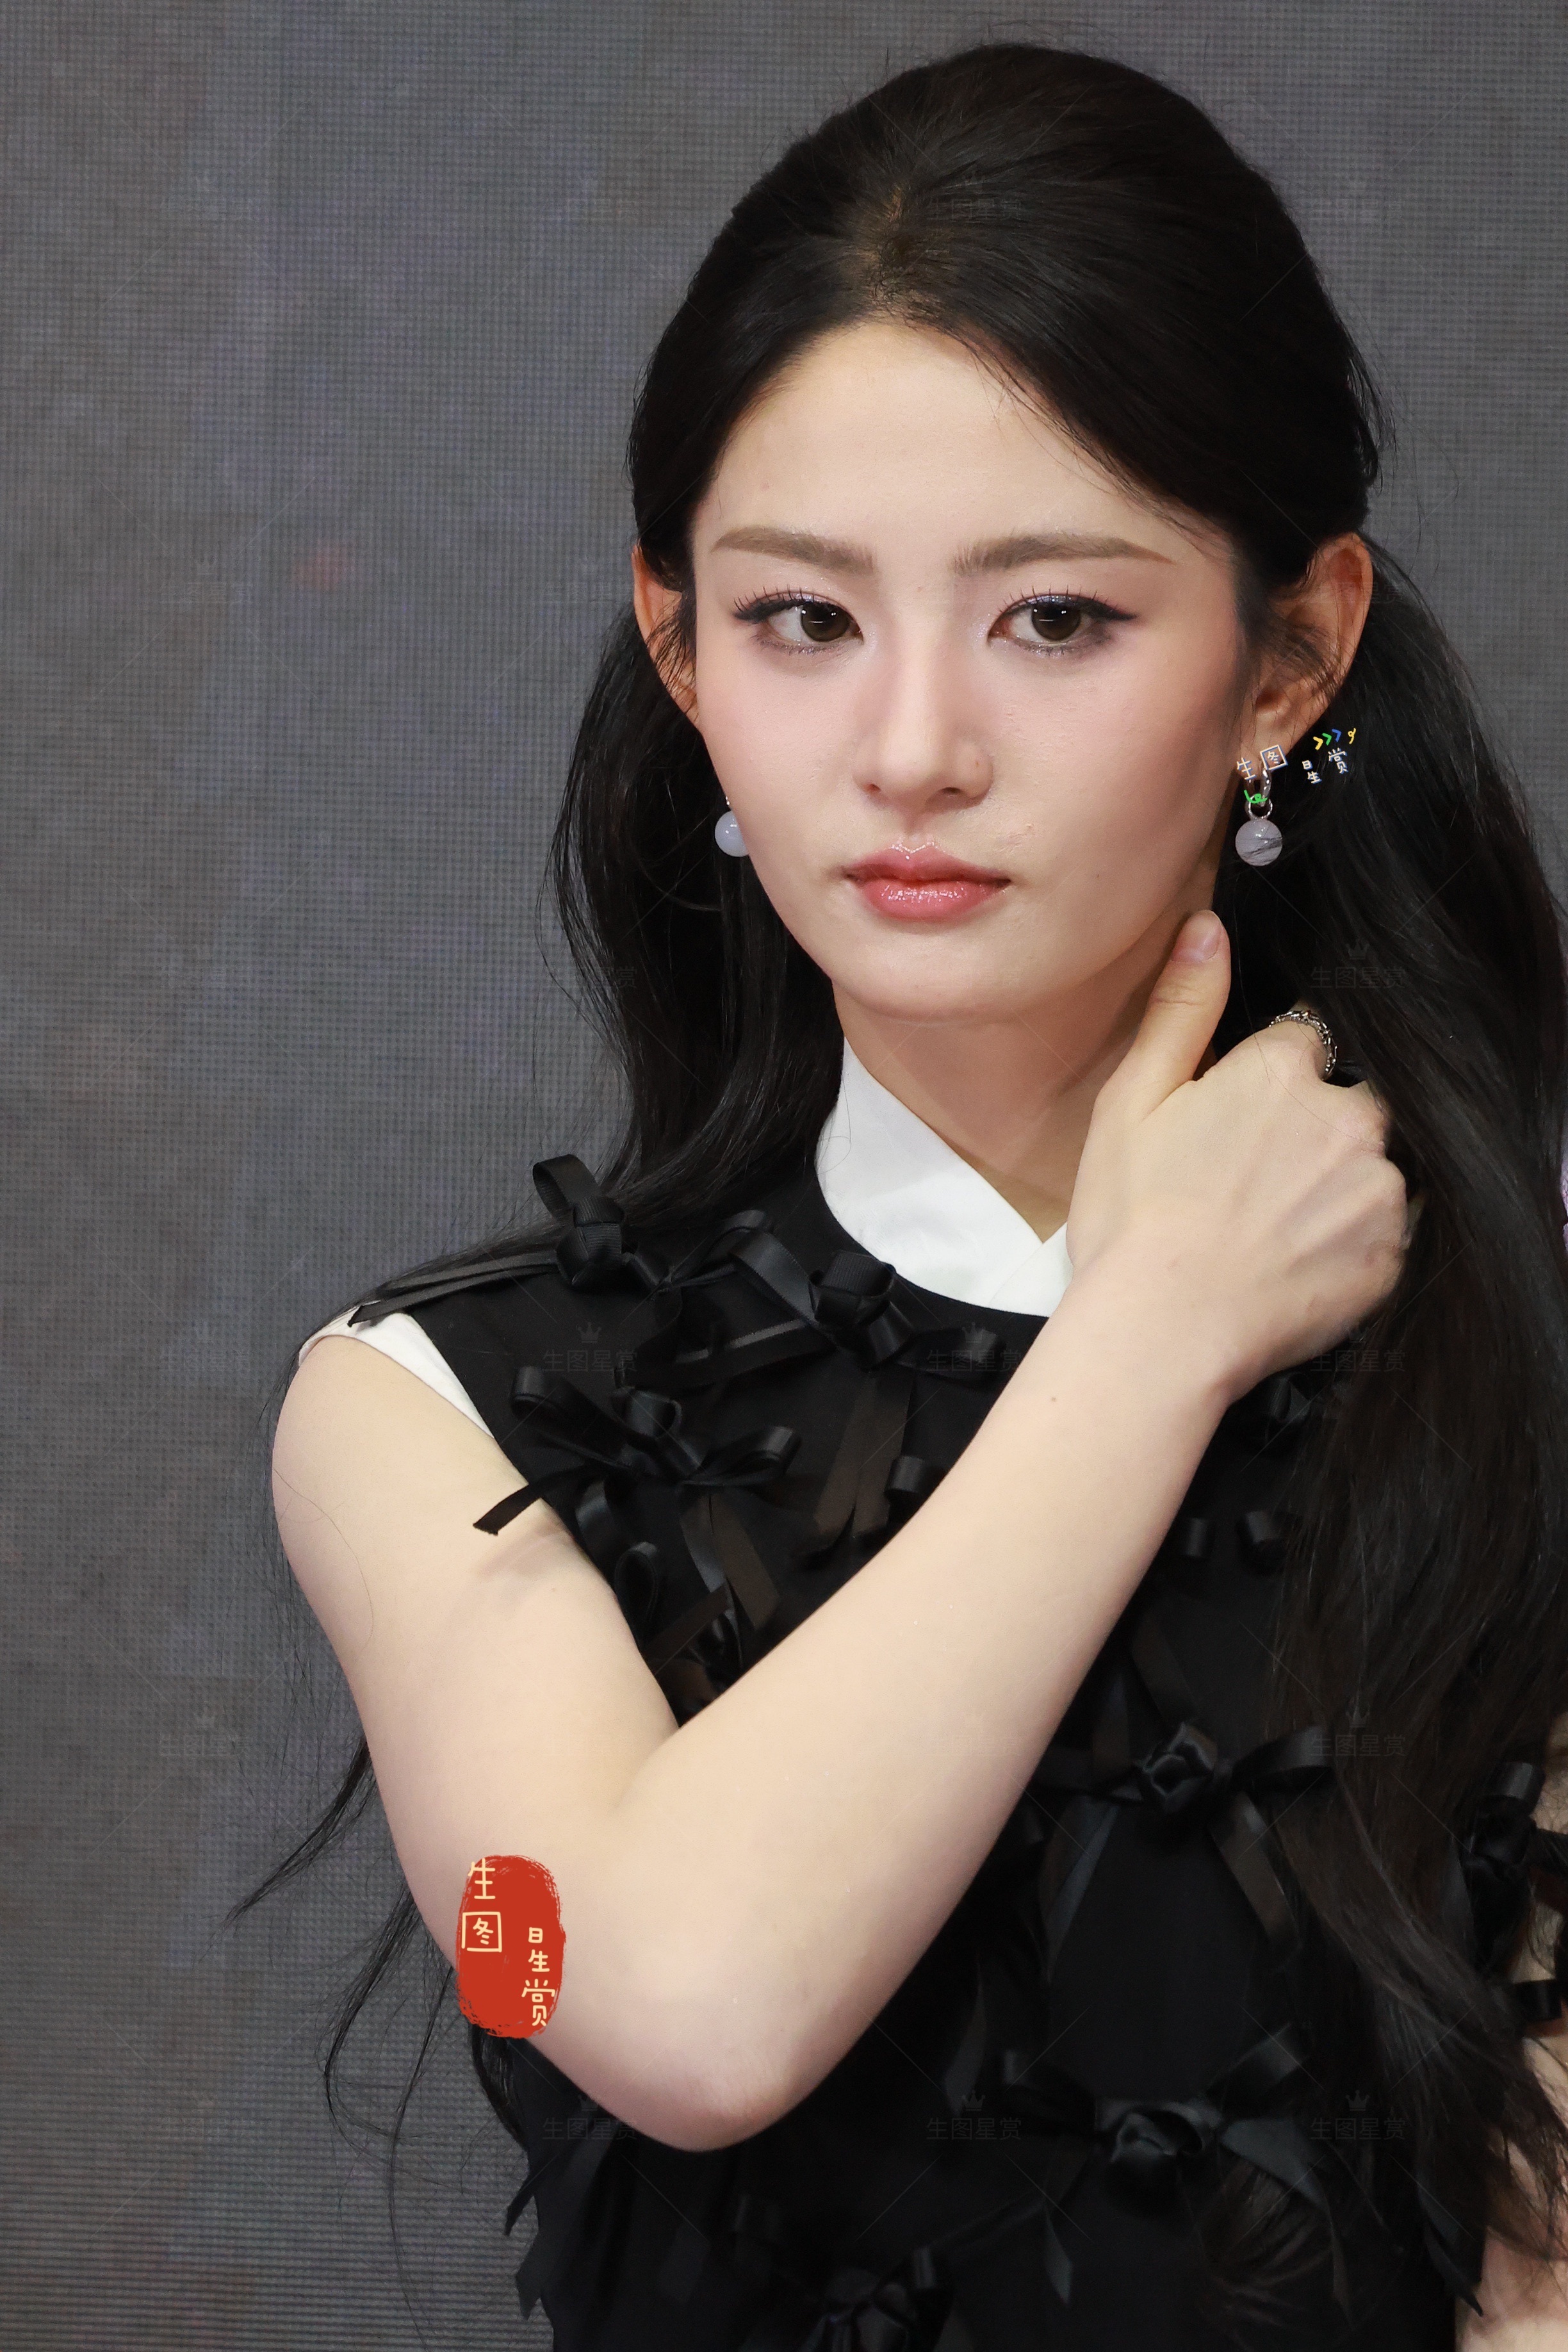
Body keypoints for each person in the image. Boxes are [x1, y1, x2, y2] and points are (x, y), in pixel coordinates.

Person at [266, 42, 1568, 2352]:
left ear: (1293, 656)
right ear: (678, 645)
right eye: (803, 619)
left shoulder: (1522, 1331)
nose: (911, 752)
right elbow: (664, 2005)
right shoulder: (428, 1415)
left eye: (1055, 618)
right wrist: (1155, 1330)